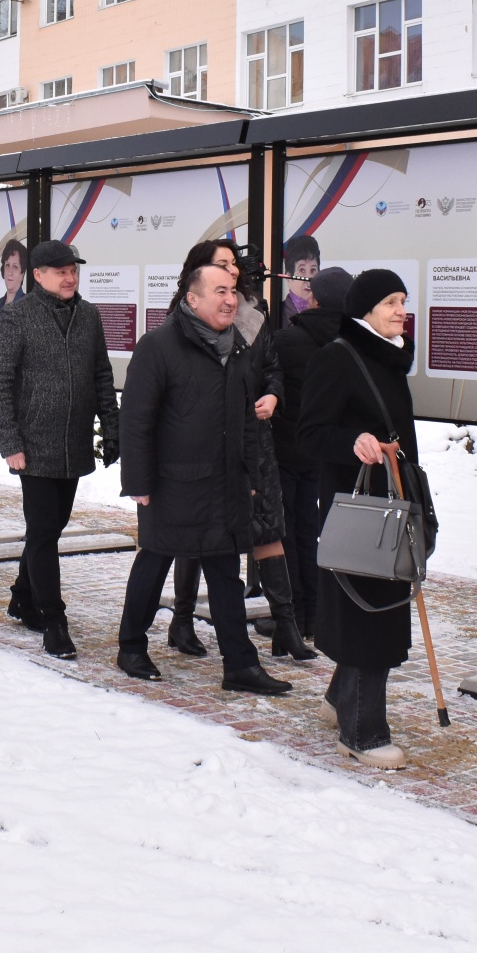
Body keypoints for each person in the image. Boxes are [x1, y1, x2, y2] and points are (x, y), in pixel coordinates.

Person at [115, 262, 291, 696]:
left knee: (225, 574)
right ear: (192, 299)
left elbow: (248, 421)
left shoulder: (238, 348)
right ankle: (131, 647)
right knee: (154, 564)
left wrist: (248, 474)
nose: (231, 299)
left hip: (226, 483)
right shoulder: (157, 346)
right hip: (173, 484)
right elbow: (136, 420)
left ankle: (240, 665)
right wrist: (138, 481)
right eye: (220, 291)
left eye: (233, 291)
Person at [301, 268, 436, 770]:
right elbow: (309, 434)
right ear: (365, 312)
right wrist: (352, 441)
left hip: (396, 502)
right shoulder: (336, 358)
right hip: (360, 512)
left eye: (403, 300)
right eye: (391, 303)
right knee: (369, 615)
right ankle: (361, 732)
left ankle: (341, 698)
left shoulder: (389, 358)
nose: (402, 310)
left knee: (379, 605)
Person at [163, 239, 304, 663]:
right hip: (209, 438)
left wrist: (273, 396)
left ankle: (286, 625)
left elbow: (273, 369)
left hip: (254, 439)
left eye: (234, 265)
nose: (233, 273)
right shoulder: (185, 317)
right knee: (198, 530)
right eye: (221, 266)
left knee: (268, 526)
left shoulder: (254, 315)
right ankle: (182, 619)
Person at [0, 240, 119, 659]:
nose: (69, 277)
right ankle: (53, 619)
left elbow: (101, 373)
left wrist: (111, 426)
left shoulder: (89, 315)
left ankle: (23, 596)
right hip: (33, 446)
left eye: (73, 270)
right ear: (37, 275)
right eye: (60, 271)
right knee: (44, 531)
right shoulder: (17, 317)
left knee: (52, 526)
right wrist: (10, 443)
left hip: (74, 443)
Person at [271, 265, 354, 641]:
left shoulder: (289, 340)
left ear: (314, 298)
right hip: (330, 455)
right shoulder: (353, 341)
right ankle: (319, 613)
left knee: (287, 533)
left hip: (288, 452)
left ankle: (294, 614)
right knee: (316, 532)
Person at [282, 234, 322, 321]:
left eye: (313, 270)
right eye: (302, 270)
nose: (308, 278)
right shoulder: (277, 315)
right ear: (288, 277)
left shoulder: (325, 313)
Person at [0, 237, 28, 323]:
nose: (10, 272)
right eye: (7, 265)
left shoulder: (28, 306)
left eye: (15, 267)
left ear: (22, 274)